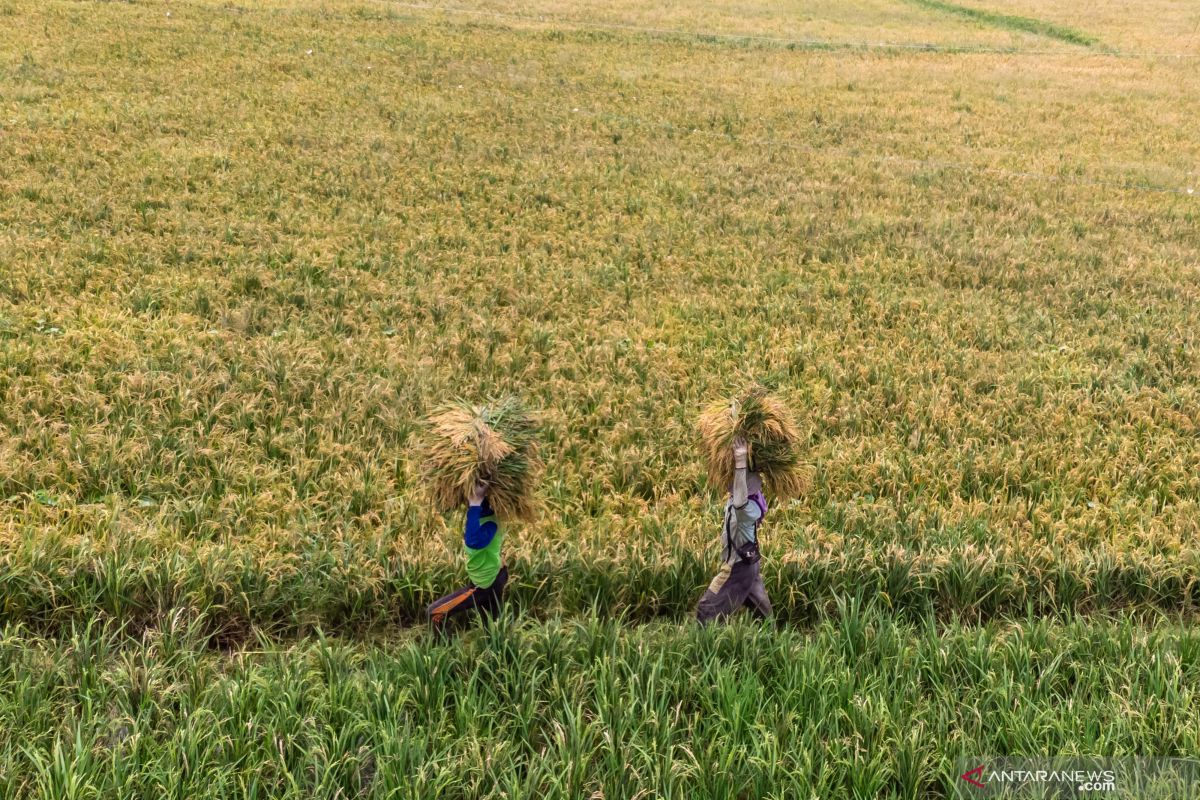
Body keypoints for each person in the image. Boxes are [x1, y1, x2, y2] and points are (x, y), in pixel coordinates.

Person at [695, 437, 772, 624]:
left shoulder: (747, 509)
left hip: (737, 567)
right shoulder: (744, 498)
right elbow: (736, 495)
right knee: (763, 614)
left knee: (706, 611)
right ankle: (771, 640)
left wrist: (740, 462)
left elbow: (739, 501)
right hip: (750, 564)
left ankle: (709, 646)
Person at [427, 479, 509, 631]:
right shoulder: (488, 514)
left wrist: (475, 503)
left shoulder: (490, 523)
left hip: (484, 584)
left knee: (435, 613)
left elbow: (472, 541)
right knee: (492, 625)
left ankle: (444, 648)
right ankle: (497, 647)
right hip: (496, 574)